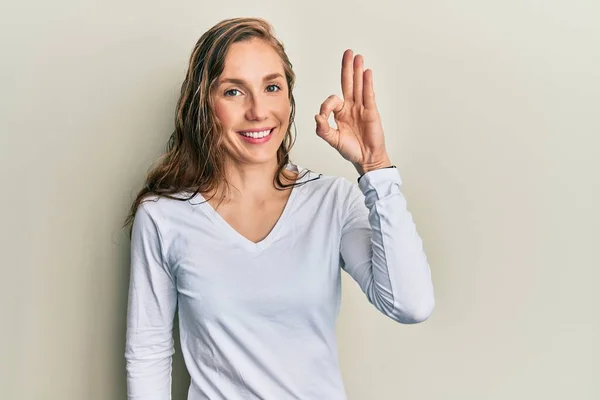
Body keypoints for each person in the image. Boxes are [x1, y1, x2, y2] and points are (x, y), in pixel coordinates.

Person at [123, 17, 434, 400]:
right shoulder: (164, 215)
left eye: (272, 87)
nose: (258, 111)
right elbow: (148, 353)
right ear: (204, 104)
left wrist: (376, 167)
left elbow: (410, 304)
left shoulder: (331, 201)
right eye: (234, 92)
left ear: (289, 97)